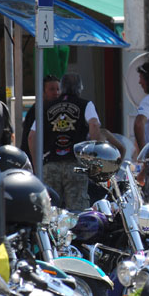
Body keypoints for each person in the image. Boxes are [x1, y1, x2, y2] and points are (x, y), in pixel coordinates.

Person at [28, 72, 104, 210]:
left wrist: (37, 166)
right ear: (80, 88)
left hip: (50, 165)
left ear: (62, 88)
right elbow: (94, 125)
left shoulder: (46, 107)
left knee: (50, 210)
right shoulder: (86, 105)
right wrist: (94, 158)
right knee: (77, 210)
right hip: (76, 165)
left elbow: (32, 137)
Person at [20, 74, 60, 161]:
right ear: (42, 92)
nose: (56, 93)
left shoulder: (56, 109)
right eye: (52, 89)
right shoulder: (36, 111)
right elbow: (29, 139)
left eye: (58, 89)